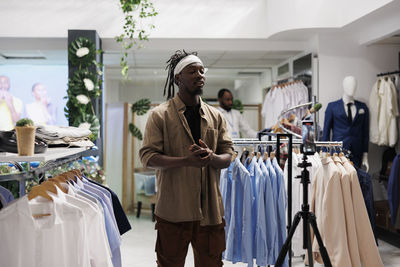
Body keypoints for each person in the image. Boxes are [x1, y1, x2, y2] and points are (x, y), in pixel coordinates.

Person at [139, 50, 233, 267]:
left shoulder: (216, 116)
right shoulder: (160, 115)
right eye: (192, 71)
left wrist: (212, 158)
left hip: (210, 212)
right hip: (173, 211)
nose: (199, 75)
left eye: (202, 71)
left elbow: (228, 156)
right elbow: (148, 157)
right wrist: (185, 161)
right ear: (178, 78)